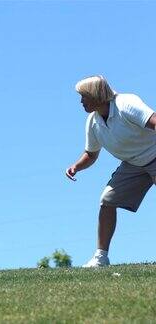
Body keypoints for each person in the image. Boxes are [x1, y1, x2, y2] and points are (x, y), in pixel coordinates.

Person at [66, 75, 156, 267]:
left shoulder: (126, 103)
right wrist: (76, 167)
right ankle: (100, 258)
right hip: (133, 164)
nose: (81, 101)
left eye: (84, 96)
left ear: (96, 94)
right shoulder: (93, 122)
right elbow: (91, 154)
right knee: (107, 200)